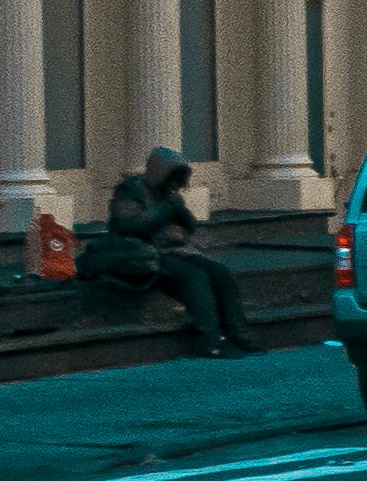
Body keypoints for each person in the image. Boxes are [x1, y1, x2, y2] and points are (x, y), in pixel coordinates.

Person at [86, 147, 254, 356]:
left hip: (177, 251)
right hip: (143, 254)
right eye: (172, 178)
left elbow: (189, 225)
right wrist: (167, 207)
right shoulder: (130, 190)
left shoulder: (168, 195)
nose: (175, 184)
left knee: (221, 273)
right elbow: (132, 226)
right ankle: (212, 341)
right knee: (194, 277)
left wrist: (178, 208)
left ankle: (238, 334)